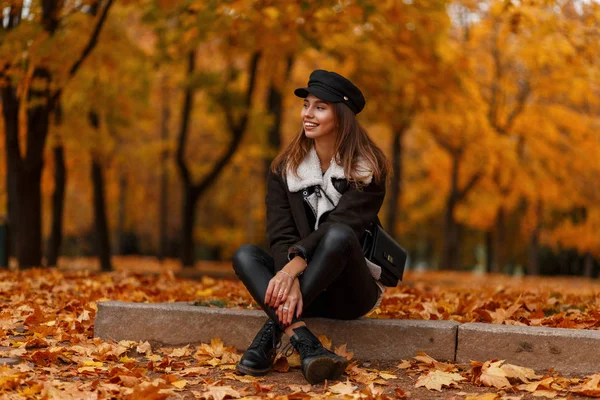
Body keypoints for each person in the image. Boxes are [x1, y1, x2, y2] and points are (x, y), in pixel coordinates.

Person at [232, 69, 389, 384]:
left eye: (320, 107)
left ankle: (273, 331)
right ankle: (305, 342)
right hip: (304, 291)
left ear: (341, 115)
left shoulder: (367, 170)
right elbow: (280, 237)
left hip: (350, 292)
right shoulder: (284, 170)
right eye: (306, 105)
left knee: (339, 234)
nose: (308, 114)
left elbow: (343, 226)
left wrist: (294, 267)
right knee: (245, 255)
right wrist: (287, 270)